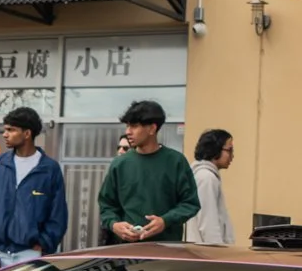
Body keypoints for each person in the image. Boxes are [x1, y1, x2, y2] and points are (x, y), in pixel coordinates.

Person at [0, 107, 68, 270]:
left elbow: (57, 214)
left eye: (11, 130)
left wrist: (43, 245)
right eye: (5, 130)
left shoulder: (49, 169)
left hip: (29, 254)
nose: (5, 135)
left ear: (27, 134)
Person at [97, 98, 199, 245]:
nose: (128, 132)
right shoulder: (120, 164)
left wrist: (165, 221)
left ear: (152, 129)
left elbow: (190, 203)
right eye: (127, 126)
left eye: (134, 126)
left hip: (166, 251)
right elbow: (107, 205)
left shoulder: (176, 161)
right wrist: (115, 225)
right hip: (126, 252)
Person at [184, 129, 236, 246]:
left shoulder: (205, 175)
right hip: (207, 253)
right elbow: (208, 222)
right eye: (229, 150)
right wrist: (218, 254)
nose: (232, 156)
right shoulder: (206, 178)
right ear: (215, 149)